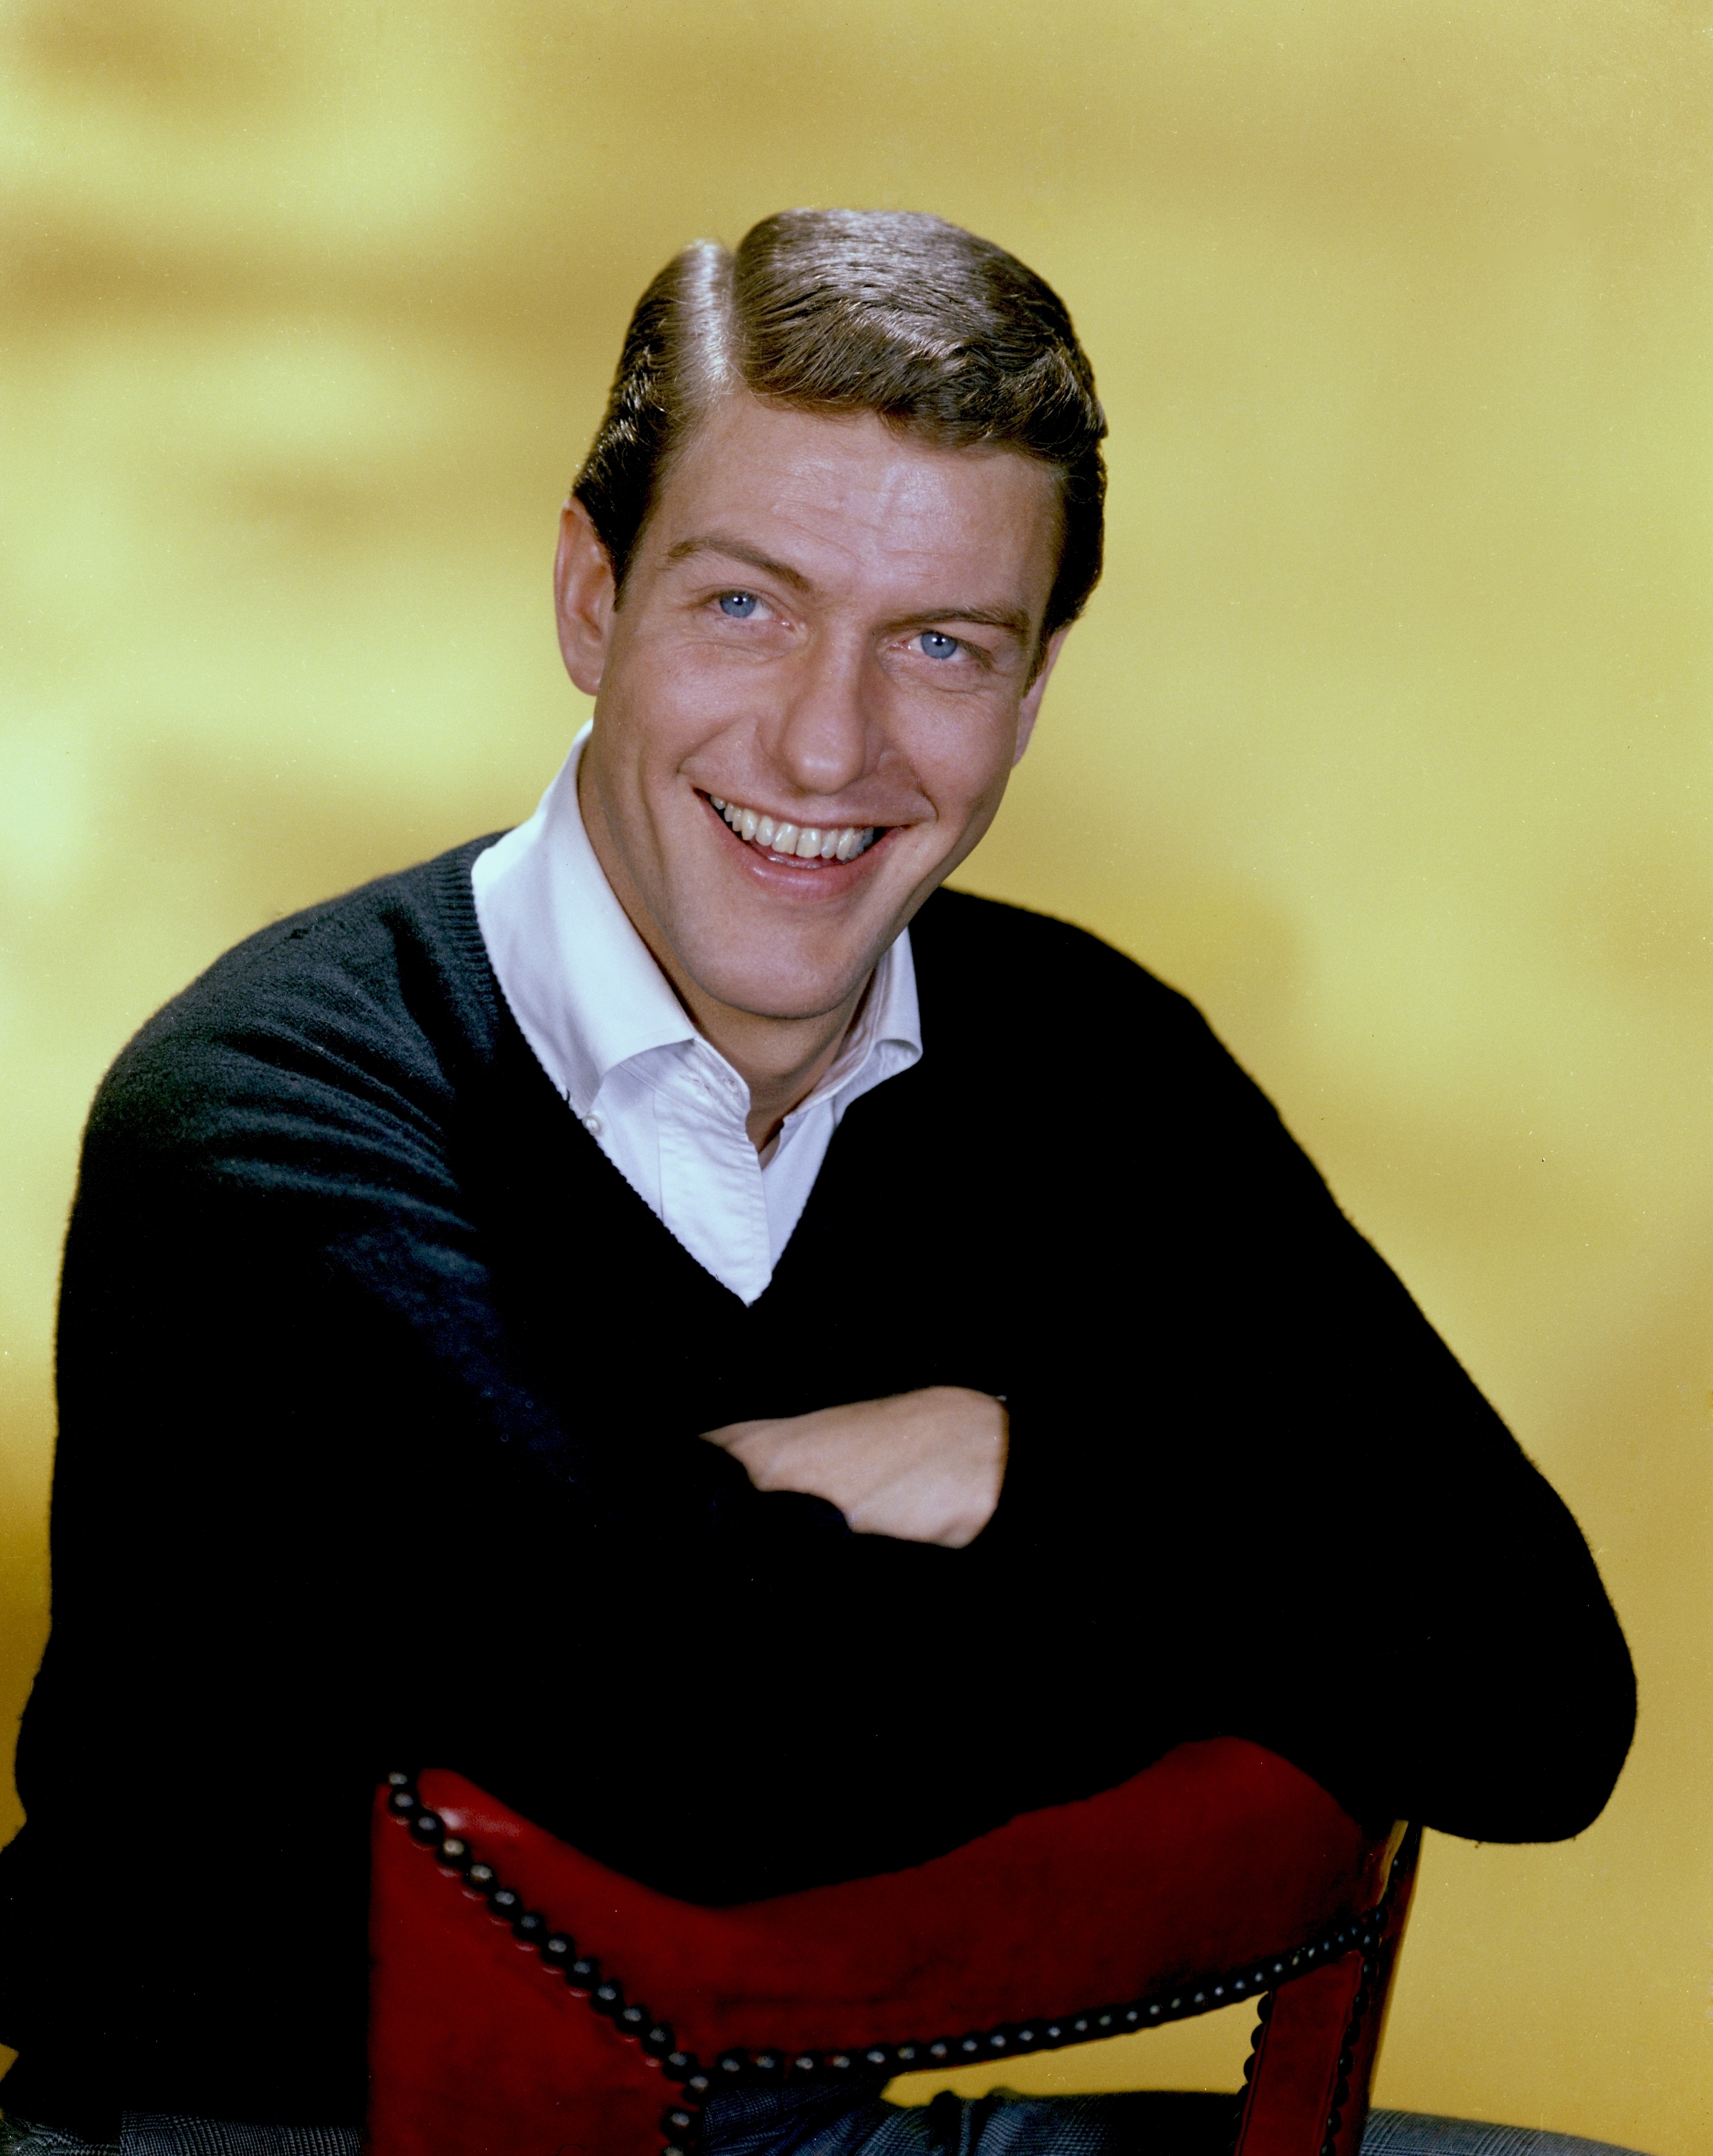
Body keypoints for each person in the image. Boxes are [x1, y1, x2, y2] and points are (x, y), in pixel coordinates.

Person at [0, 211, 1638, 2156]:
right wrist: (1251, 1554)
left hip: (813, 2130)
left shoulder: (1093, 1063)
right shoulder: (267, 1115)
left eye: (941, 643)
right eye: (746, 606)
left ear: (1027, 696)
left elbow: (1535, 1691)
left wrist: (1005, 1463)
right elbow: (713, 1755)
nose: (829, 740)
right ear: (590, 598)